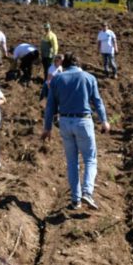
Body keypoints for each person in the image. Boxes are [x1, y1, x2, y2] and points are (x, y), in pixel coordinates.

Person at [42, 53, 111, 210]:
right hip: (83, 121)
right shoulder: (89, 77)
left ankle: (75, 200)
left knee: (72, 162)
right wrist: (104, 121)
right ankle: (87, 192)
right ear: (79, 64)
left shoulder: (57, 79)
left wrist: (47, 127)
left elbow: (50, 105)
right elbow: (97, 101)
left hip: (65, 122)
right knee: (90, 159)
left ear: (64, 65)